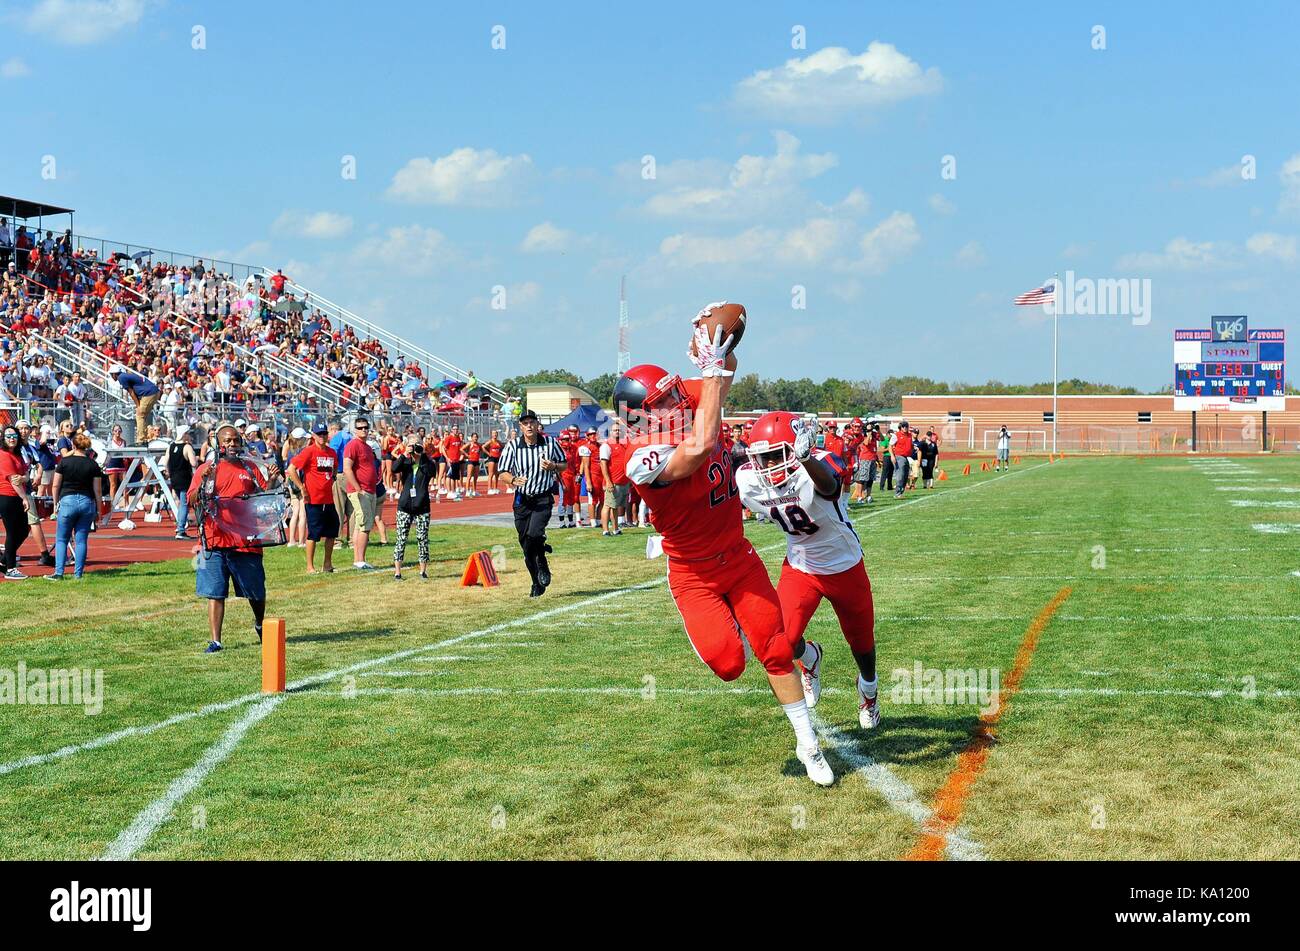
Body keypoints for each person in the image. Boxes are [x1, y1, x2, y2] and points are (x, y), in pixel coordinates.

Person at [616, 307, 833, 786]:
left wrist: (717, 344)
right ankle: (726, 632)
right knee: (730, 665)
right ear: (639, 418)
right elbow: (698, 447)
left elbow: (724, 374)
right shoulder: (635, 456)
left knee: (775, 650)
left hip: (737, 555)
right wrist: (710, 372)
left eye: (676, 392)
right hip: (692, 573)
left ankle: (808, 743)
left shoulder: (676, 406)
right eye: (667, 399)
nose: (679, 399)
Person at [735, 412, 880, 728]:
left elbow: (829, 486)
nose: (770, 464)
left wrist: (805, 460)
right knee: (781, 643)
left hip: (844, 566)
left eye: (777, 454)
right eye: (763, 457)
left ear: (798, 447)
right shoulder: (748, 480)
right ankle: (811, 657)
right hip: (800, 566)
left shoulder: (816, 464)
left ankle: (869, 689)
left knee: (862, 643)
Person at [188, 423, 271, 653]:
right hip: (214, 539)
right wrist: (203, 480)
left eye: (235, 440)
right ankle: (216, 640)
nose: (232, 444)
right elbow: (192, 500)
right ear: (218, 443)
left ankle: (259, 623)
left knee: (256, 591)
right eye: (227, 441)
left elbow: (263, 498)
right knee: (215, 592)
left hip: (245, 539)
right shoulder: (207, 468)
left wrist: (272, 481)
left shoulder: (250, 468)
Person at [497, 409, 565, 597]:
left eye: (531, 422)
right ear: (520, 426)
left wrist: (553, 466)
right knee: (526, 545)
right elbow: (502, 471)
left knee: (534, 533)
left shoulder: (550, 443)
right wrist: (512, 480)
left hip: (542, 497)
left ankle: (542, 560)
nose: (529, 426)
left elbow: (564, 464)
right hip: (522, 500)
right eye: (525, 423)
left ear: (537, 424)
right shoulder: (512, 446)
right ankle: (536, 582)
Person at [49, 433, 104, 580]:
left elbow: (55, 485)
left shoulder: (64, 462)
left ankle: (59, 572)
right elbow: (98, 490)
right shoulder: (93, 464)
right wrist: (99, 509)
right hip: (86, 502)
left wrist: (55, 504)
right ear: (87, 447)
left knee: (61, 539)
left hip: (67, 501)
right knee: (81, 540)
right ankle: (78, 574)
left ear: (73, 445)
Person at [288, 422, 340, 574]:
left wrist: (334, 476)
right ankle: (310, 566)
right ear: (314, 436)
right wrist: (302, 488)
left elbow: (335, 467)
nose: (322, 436)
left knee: (332, 532)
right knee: (314, 534)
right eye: (319, 434)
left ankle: (327, 564)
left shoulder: (331, 452)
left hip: (328, 499)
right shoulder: (308, 452)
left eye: (324, 433)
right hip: (313, 500)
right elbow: (291, 469)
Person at [391, 435, 437, 580]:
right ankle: (397, 572)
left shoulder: (426, 463)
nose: (415, 447)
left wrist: (422, 454)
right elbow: (394, 468)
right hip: (405, 505)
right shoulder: (405, 461)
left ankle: (423, 571)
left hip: (422, 506)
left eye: (417, 444)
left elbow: (431, 472)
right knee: (401, 538)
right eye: (412, 445)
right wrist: (405, 454)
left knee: (422, 538)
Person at [342, 417, 380, 569]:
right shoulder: (353, 445)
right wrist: (358, 488)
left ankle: (358, 560)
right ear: (355, 429)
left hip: (369, 489)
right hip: (361, 491)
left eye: (366, 427)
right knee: (365, 524)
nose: (363, 429)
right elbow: (347, 468)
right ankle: (360, 560)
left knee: (360, 525)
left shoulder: (366, 446)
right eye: (360, 427)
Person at [1, 425, 33, 580]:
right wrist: (24, 498)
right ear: (3, 438)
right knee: (13, 532)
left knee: (24, 530)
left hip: (17, 496)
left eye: (14, 436)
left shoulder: (18, 454)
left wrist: (24, 478)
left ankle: (4, 561)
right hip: (8, 496)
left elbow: (26, 473)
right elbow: (14, 480)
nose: (12, 439)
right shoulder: (4, 455)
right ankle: (10, 568)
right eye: (8, 436)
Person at [108, 364, 161, 444]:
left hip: (149, 393)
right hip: (152, 392)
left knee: (140, 415)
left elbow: (131, 392)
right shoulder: (124, 376)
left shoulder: (121, 378)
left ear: (114, 374)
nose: (112, 377)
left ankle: (141, 439)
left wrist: (138, 405)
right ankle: (146, 437)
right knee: (143, 416)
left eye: (111, 375)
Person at [163, 425, 199, 538]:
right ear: (184, 434)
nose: (190, 435)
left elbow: (165, 462)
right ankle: (181, 529)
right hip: (184, 478)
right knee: (184, 504)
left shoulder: (171, 446)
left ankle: (180, 526)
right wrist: (196, 458)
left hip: (174, 478)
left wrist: (169, 473)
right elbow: (194, 463)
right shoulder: (187, 447)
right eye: (188, 433)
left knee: (180, 503)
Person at [601, 417, 631, 536]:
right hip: (613, 481)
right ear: (610, 432)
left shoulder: (624, 444)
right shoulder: (606, 445)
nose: (617, 432)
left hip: (623, 481)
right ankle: (605, 530)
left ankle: (616, 528)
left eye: (619, 430)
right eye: (615, 430)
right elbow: (603, 464)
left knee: (616, 506)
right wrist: (608, 481)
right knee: (608, 505)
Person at [890, 421, 914, 499]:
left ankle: (901, 492)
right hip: (899, 456)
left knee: (906, 475)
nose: (905, 428)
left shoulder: (909, 435)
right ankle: (897, 493)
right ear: (901, 427)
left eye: (906, 426)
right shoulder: (896, 435)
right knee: (900, 475)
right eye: (904, 426)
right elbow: (890, 446)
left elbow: (911, 445)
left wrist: (914, 448)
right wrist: (892, 456)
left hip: (906, 457)